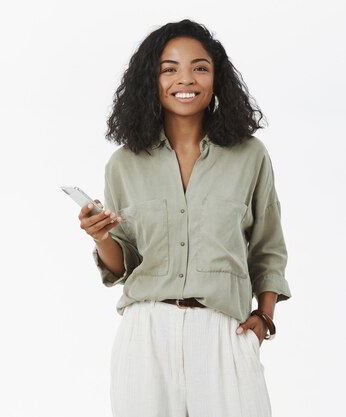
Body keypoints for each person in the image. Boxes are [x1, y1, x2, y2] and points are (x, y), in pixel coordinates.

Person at [77, 19, 292, 417]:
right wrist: (101, 237)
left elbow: (268, 248)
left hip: (223, 331)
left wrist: (264, 318)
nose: (185, 78)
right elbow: (124, 263)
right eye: (169, 68)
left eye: (199, 67)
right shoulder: (124, 164)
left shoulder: (250, 156)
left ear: (216, 78)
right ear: (152, 80)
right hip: (145, 335)